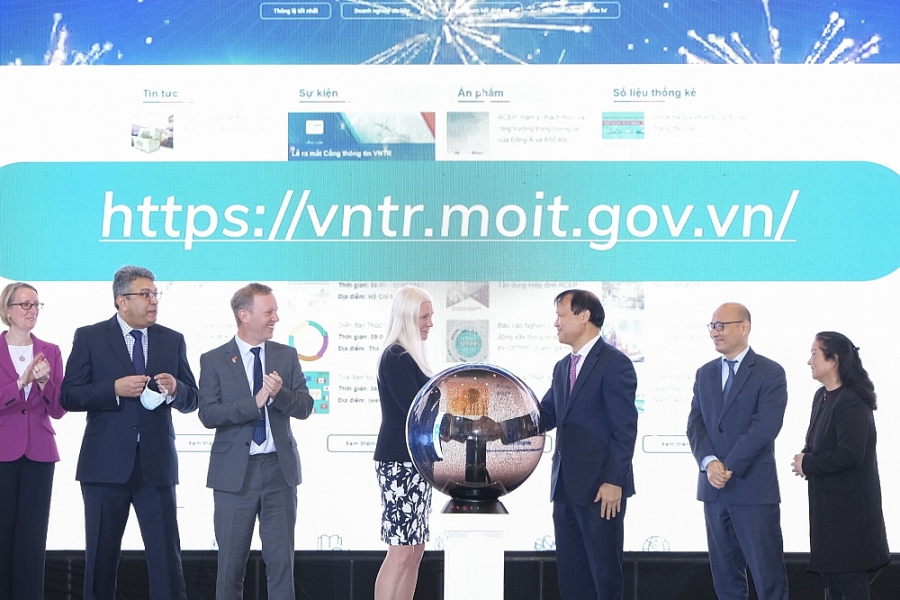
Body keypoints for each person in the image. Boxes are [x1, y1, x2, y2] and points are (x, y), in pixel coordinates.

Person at [60, 266, 199, 600]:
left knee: (167, 561)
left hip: (156, 467)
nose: (154, 301)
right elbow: (69, 396)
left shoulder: (172, 339)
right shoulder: (90, 337)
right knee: (101, 560)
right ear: (121, 300)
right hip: (104, 467)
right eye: (145, 295)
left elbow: (193, 399)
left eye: (155, 294)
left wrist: (176, 388)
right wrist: (113, 388)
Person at [198, 283, 314, 600]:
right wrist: (256, 402)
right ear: (244, 315)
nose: (276, 318)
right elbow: (208, 414)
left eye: (276, 311)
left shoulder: (285, 356)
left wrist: (278, 395)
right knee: (230, 570)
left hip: (279, 473)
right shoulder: (214, 360)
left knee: (281, 568)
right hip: (234, 476)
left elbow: (305, 406)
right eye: (269, 312)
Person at [538, 289, 638, 600]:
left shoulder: (615, 364)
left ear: (584, 316)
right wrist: (502, 426)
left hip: (600, 490)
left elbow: (625, 430)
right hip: (565, 488)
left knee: (603, 577)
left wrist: (614, 480)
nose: (556, 323)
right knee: (572, 578)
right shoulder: (562, 367)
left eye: (561, 315)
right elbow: (546, 415)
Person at [686, 302, 789, 600]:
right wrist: (709, 463)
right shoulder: (704, 373)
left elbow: (765, 426)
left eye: (721, 326)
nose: (714, 332)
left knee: (768, 577)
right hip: (714, 490)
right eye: (712, 326)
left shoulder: (770, 372)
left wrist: (727, 466)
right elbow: (695, 424)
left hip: (752, 489)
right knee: (726, 579)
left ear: (744, 327)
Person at [791, 332, 889, 599]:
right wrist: (804, 457)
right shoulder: (821, 396)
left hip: (849, 519)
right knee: (832, 584)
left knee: (849, 585)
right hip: (827, 515)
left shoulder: (851, 401)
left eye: (814, 354)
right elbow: (819, 443)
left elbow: (849, 455)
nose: (809, 361)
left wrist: (809, 463)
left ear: (833, 360)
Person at [0, 283, 65, 600]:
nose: (32, 310)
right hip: (3, 452)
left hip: (40, 453)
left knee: (32, 539)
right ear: (8, 309)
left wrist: (44, 382)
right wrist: (21, 382)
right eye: (25, 304)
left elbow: (58, 409)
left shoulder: (51, 350)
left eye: (37, 305)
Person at [373, 285, 436, 600]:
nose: (430, 323)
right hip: (399, 464)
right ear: (408, 317)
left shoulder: (411, 356)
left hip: (416, 464)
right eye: (424, 317)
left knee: (415, 550)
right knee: (400, 551)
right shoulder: (395, 356)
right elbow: (416, 411)